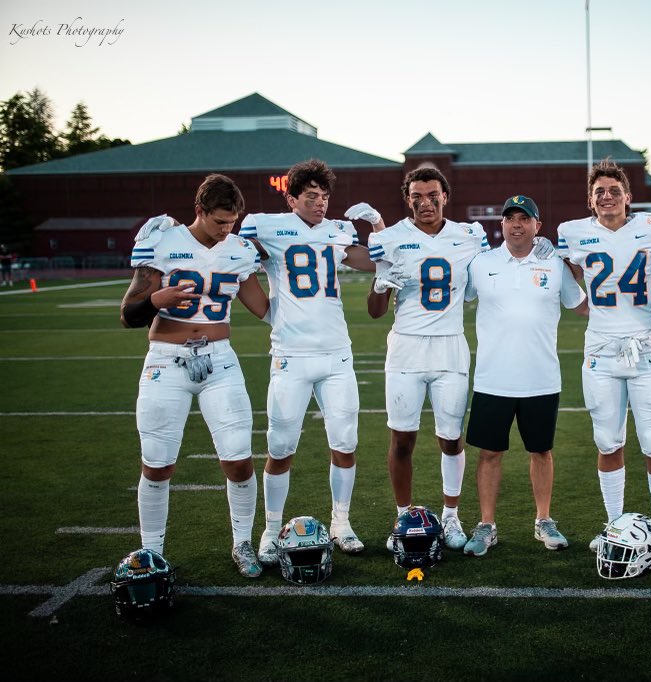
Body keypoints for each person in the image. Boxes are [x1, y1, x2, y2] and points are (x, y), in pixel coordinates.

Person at [120, 174, 269, 578]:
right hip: (166, 359)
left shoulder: (238, 249)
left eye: (232, 222)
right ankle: (151, 554)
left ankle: (243, 544)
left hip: (219, 360)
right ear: (199, 211)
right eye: (220, 221)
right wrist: (158, 298)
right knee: (157, 464)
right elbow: (128, 314)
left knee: (239, 458)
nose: (227, 230)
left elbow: (263, 307)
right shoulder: (163, 242)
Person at [238, 159, 384, 565]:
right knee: (280, 446)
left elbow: (376, 261)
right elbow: (237, 264)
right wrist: (268, 312)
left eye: (324, 196)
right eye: (311, 196)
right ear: (292, 198)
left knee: (346, 442)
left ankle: (341, 522)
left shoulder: (337, 231)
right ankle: (270, 529)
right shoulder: (266, 226)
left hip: (337, 353)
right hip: (290, 354)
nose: (320, 203)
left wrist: (379, 228)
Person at [556, 160, 651, 555]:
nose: (607, 196)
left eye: (614, 190)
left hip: (646, 348)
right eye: (599, 191)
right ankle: (614, 524)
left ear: (628, 197)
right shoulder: (574, 233)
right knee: (608, 441)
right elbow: (566, 279)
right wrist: (583, 307)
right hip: (600, 351)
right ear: (590, 200)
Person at [367, 167, 490, 551]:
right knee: (402, 439)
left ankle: (451, 516)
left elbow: (488, 283)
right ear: (408, 199)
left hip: (450, 346)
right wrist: (379, 283)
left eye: (432, 194)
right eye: (417, 196)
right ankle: (403, 515)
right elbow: (375, 310)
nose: (426, 202)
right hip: (406, 347)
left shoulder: (468, 237)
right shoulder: (390, 239)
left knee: (452, 439)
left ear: (445, 196)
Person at [461, 195, 588, 557]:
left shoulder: (555, 265)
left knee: (542, 451)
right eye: (510, 219)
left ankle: (543, 520)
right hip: (492, 378)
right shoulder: (482, 263)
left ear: (538, 225)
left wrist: (621, 294)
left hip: (541, 377)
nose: (516, 225)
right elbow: (456, 296)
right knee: (489, 453)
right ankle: (486, 525)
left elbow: (582, 306)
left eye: (524, 219)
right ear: (500, 226)